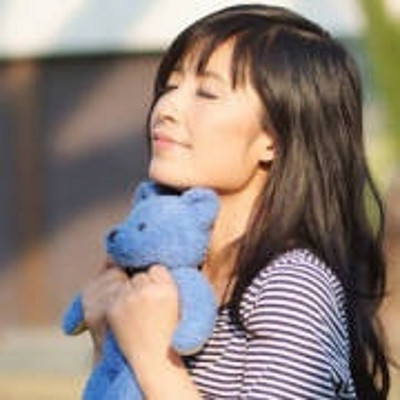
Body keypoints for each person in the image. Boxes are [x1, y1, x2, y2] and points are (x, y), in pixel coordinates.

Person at [81, 4, 390, 399]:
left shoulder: (292, 285)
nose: (166, 108)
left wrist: (153, 357)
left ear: (274, 139)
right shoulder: (176, 272)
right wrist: (108, 342)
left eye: (207, 92)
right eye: (170, 86)